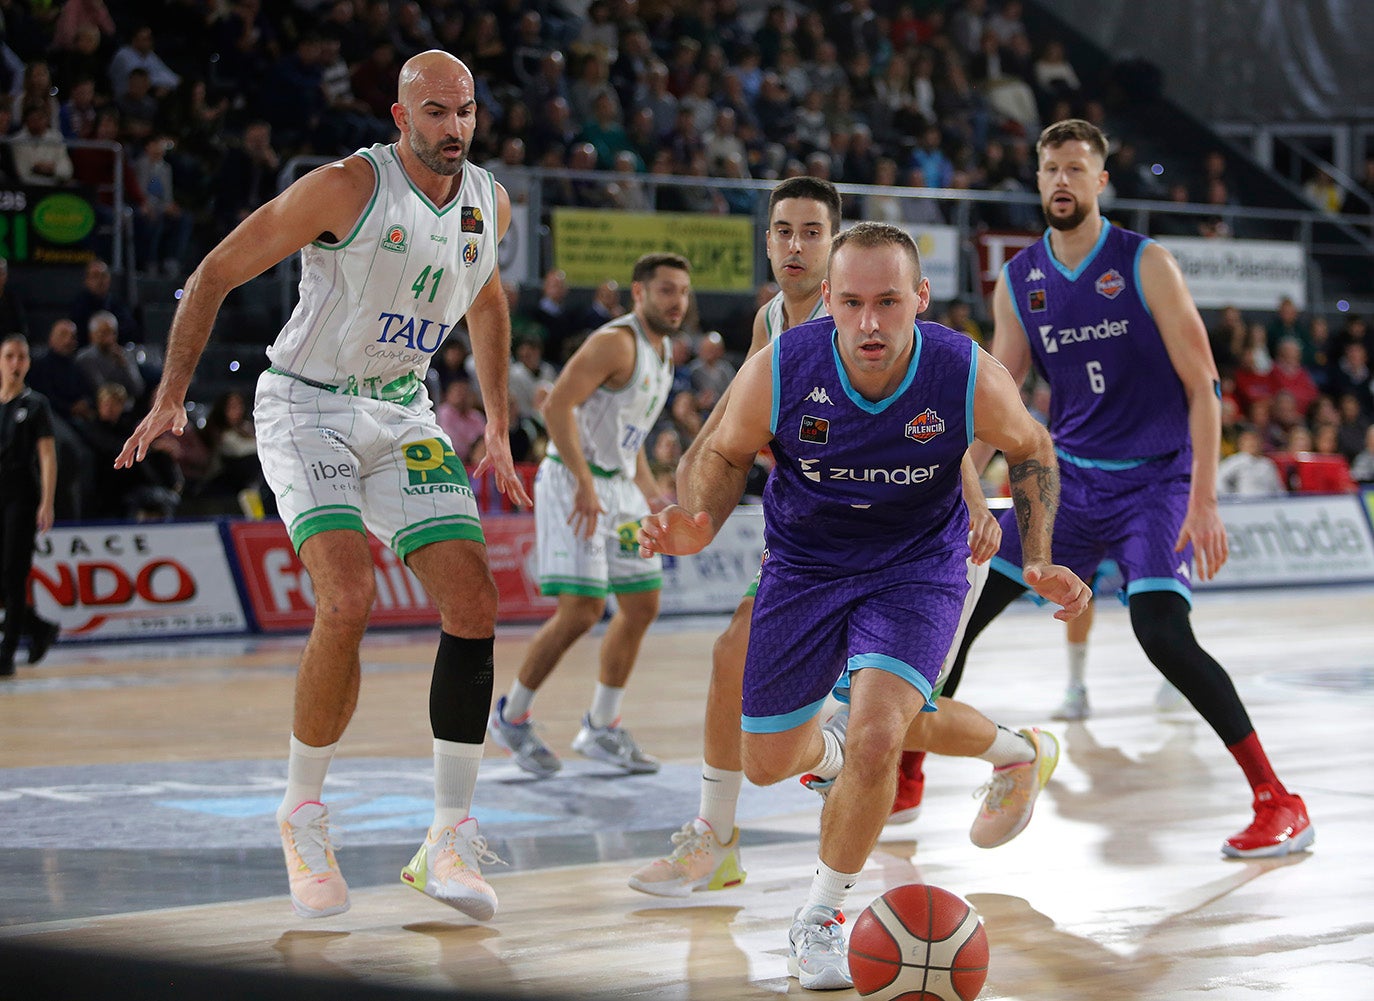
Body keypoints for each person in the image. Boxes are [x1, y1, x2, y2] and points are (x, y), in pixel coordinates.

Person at [114, 50, 532, 922]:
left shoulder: (489, 202)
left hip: (404, 412)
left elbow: (487, 301)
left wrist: (494, 419)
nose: (454, 128)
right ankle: (301, 812)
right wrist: (171, 396)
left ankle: (445, 838)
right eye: (436, 113)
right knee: (346, 596)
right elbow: (214, 274)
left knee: (475, 601)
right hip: (308, 404)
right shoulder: (347, 187)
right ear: (399, 115)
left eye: (466, 112)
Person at [637, 222, 1087, 990]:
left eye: (888, 301)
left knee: (881, 734)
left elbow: (1032, 445)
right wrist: (700, 520)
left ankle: (819, 915)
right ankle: (1011, 748)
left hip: (918, 566)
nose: (870, 322)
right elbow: (721, 450)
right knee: (771, 761)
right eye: (851, 302)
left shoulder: (963, 371)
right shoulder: (783, 367)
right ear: (830, 302)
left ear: (921, 298)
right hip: (805, 565)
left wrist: (1037, 553)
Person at [944, 119, 1313, 860]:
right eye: (1050, 168)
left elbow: (1205, 387)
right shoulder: (1021, 279)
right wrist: (957, 473)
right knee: (959, 600)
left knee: (1162, 634)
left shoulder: (1146, 264)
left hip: (1156, 480)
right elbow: (1003, 390)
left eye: (1075, 169)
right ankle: (910, 768)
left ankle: (1280, 799)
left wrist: (1203, 498)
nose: (1060, 181)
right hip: (1070, 479)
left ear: (1100, 181)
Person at [626, 178, 999, 901]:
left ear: (838, 247)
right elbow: (723, 433)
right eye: (783, 230)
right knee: (768, 675)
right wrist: (687, 509)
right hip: (816, 545)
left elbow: (929, 422)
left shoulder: (875, 317)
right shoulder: (775, 323)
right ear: (767, 241)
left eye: (811, 232)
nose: (795, 245)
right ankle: (722, 833)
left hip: (910, 543)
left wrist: (976, 494)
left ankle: (724, 836)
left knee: (882, 721)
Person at [486, 253, 689, 776]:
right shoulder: (615, 342)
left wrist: (654, 499)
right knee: (580, 610)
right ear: (638, 294)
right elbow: (554, 406)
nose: (677, 301)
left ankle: (601, 725)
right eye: (665, 290)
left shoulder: (664, 353)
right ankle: (511, 714)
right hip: (574, 481)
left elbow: (632, 440)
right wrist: (581, 481)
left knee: (643, 603)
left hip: (617, 487)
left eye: (683, 292)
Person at [0, 334, 61, 677]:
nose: (15, 363)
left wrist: (46, 501)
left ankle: (6, 653)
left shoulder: (35, 404)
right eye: (9, 356)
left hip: (21, 496)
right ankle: (38, 627)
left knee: (13, 573)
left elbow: (47, 455)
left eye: (21, 356)